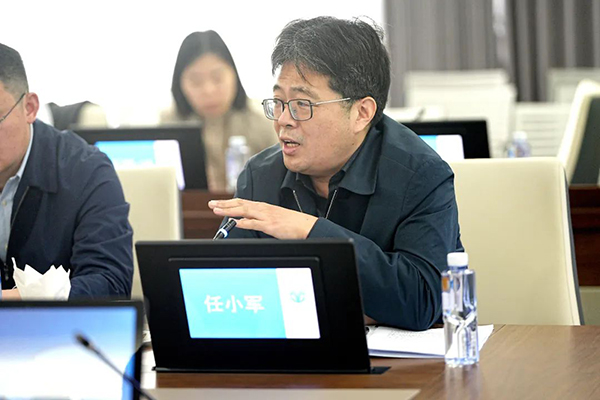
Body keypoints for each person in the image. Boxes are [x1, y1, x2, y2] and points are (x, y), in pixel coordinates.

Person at [208, 17, 463, 331]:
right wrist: (352, 303)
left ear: (361, 113)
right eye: (279, 102)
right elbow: (228, 292)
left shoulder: (421, 176)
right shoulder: (259, 175)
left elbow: (423, 300)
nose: (284, 119)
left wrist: (310, 231)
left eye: (302, 104)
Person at [0, 43, 133, 299]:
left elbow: (110, 283)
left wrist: (16, 299)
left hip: (62, 325)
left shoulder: (86, 171)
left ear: (29, 107)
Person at [162, 31, 276, 191]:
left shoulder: (263, 121)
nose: (208, 90)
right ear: (179, 83)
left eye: (217, 78)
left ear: (234, 75)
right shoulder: (167, 125)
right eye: (196, 81)